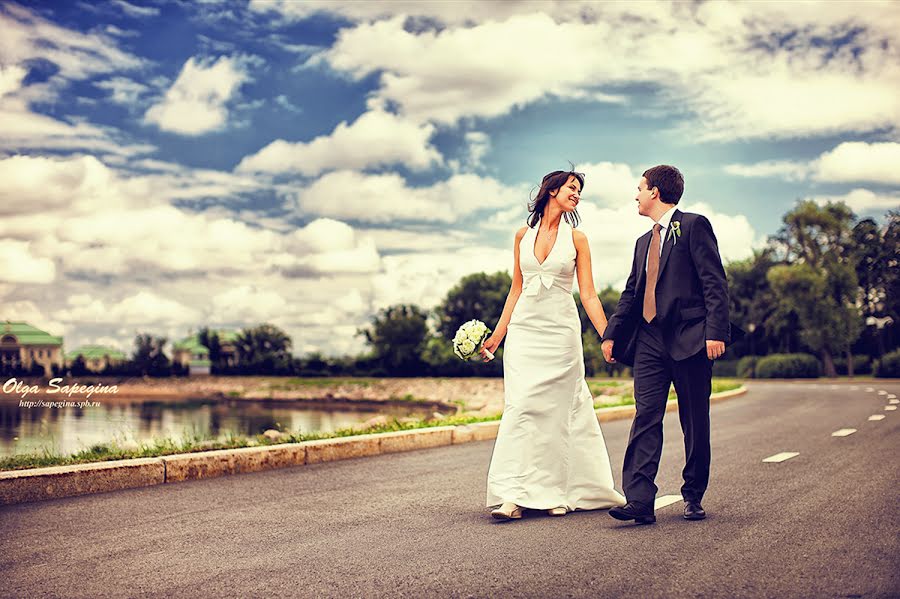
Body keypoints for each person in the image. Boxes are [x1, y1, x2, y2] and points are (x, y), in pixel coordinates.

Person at [480, 169, 626, 520]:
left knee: (558, 413)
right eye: (572, 188)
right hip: (524, 333)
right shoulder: (521, 236)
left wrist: (608, 335)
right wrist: (496, 339)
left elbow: (588, 295)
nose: (577, 194)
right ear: (552, 190)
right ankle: (512, 496)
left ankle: (556, 491)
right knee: (521, 408)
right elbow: (516, 289)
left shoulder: (578, 239)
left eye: (579, 191)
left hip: (561, 334)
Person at [601, 165, 730, 525]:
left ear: (655, 192)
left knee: (694, 420)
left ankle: (693, 494)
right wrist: (612, 333)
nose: (636, 195)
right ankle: (639, 501)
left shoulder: (693, 225)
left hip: (691, 338)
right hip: (648, 340)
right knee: (645, 416)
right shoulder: (643, 243)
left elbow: (714, 283)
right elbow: (631, 293)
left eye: (640, 188)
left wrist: (715, 332)